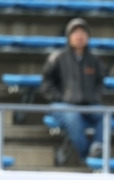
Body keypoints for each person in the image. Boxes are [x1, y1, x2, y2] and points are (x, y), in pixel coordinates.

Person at [41, 17, 106, 163]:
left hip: (88, 104)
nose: (79, 36)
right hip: (63, 105)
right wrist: (61, 97)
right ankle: (86, 155)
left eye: (83, 32)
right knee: (72, 117)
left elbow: (100, 83)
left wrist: (94, 97)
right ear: (68, 37)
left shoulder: (95, 60)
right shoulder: (57, 58)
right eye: (75, 33)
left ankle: (97, 146)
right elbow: (47, 83)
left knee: (105, 114)